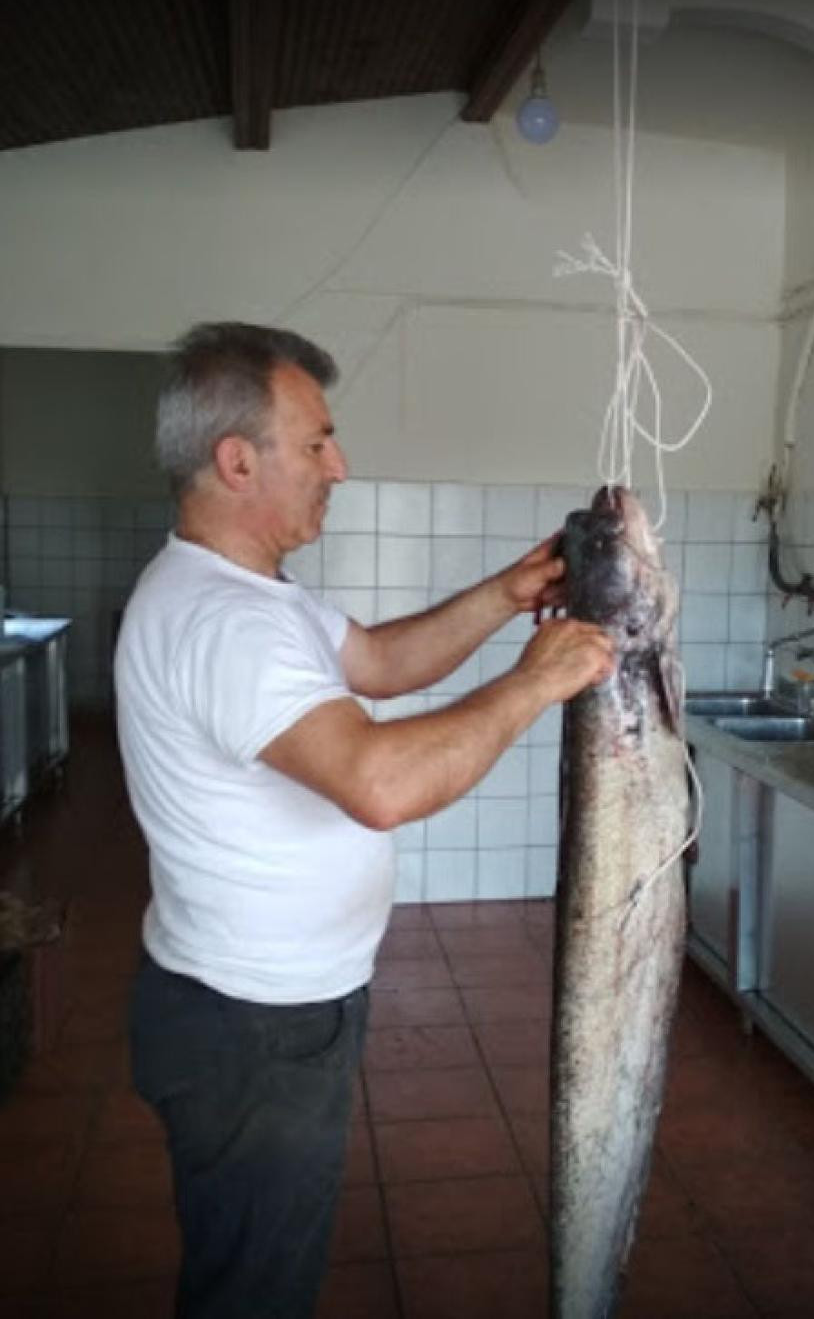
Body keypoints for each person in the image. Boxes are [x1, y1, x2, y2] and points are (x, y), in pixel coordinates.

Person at [115, 321, 613, 1319]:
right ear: (237, 461)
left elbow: (380, 662)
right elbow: (378, 783)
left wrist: (506, 594)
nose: (338, 466)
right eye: (317, 443)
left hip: (258, 1011)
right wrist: (533, 683)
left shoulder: (252, 595)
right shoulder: (227, 623)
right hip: (255, 1029)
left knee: (254, 1265)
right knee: (255, 1291)